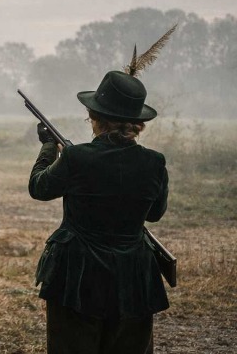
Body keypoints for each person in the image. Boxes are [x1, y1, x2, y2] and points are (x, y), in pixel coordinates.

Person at [29, 70, 170, 354]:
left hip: (77, 277)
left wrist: (48, 147)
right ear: (138, 124)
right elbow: (154, 213)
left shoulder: (75, 157)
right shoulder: (154, 162)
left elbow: (38, 187)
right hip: (134, 278)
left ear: (96, 118)